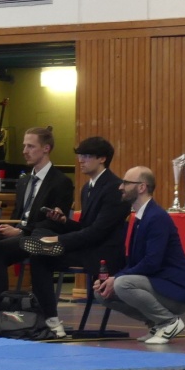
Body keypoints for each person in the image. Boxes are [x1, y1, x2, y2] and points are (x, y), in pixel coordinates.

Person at [24, 137, 131, 337]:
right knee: (39, 249)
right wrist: (64, 221)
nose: (81, 160)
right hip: (88, 246)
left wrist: (58, 241)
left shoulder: (114, 188)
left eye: (87, 156)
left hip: (102, 253)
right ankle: (48, 318)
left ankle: (50, 319)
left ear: (102, 159)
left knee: (41, 254)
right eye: (80, 156)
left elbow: (97, 232)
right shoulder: (87, 187)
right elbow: (86, 227)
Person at [94, 166, 185, 344]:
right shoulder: (141, 217)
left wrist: (117, 278)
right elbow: (136, 262)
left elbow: (152, 263)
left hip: (175, 290)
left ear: (141, 187)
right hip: (156, 284)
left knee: (122, 284)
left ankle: (169, 322)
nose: (120, 187)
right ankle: (155, 323)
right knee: (102, 292)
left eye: (126, 183)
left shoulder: (156, 217)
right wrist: (109, 280)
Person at [0, 127, 74, 320]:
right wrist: (2, 225)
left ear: (46, 148)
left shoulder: (61, 182)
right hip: (19, 234)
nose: (25, 151)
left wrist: (20, 231)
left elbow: (54, 223)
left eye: (31, 146)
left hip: (40, 237)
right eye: (24, 146)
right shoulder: (24, 181)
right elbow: (18, 216)